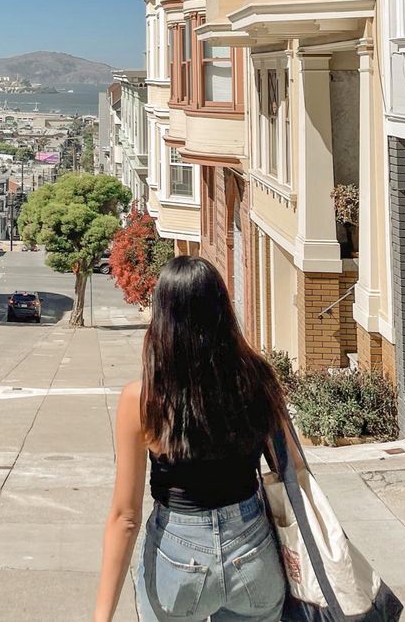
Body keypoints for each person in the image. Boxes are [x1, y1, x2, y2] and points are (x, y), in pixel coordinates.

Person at [93, 256, 287, 622]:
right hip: (252, 550)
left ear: (163, 317)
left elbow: (125, 517)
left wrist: (101, 616)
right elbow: (288, 471)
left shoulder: (143, 398)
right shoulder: (258, 378)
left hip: (177, 558)